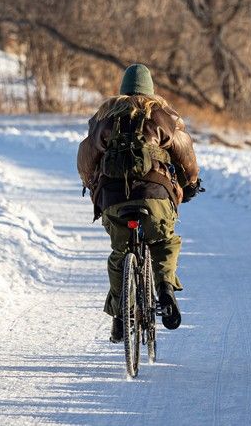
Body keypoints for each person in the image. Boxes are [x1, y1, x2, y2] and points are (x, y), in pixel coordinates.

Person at [77, 63, 201, 343]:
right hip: (155, 194)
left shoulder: (103, 118)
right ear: (151, 90)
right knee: (164, 241)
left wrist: (92, 185)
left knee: (120, 253)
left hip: (113, 197)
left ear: (122, 89)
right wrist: (191, 184)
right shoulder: (164, 116)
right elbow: (185, 153)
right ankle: (166, 288)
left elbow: (86, 158)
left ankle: (121, 317)